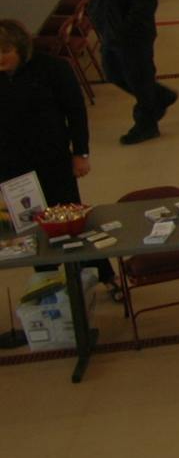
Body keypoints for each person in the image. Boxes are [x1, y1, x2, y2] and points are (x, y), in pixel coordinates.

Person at [0, 18, 115, 299]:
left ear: (21, 48)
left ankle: (105, 276)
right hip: (12, 170)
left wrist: (80, 154)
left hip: (53, 162)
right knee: (32, 229)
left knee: (73, 224)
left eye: (5, 51)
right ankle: (47, 284)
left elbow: (76, 113)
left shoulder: (52, 70)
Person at [89, 0, 175, 145]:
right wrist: (95, 15)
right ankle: (160, 95)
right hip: (108, 31)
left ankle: (146, 125)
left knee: (139, 78)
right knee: (113, 73)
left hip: (133, 36)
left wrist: (125, 30)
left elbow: (145, 3)